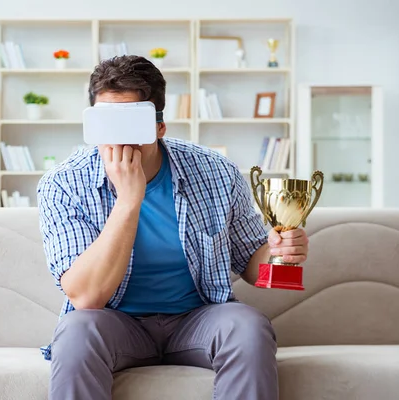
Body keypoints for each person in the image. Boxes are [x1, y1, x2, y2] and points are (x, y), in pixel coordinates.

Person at [36, 55, 309, 400]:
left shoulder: (215, 171)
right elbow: (87, 296)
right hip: (114, 322)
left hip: (197, 318)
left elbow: (252, 267)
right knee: (76, 331)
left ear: (159, 126)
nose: (118, 139)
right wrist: (128, 200)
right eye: (106, 123)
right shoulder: (62, 184)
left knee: (248, 326)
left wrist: (280, 251)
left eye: (131, 123)